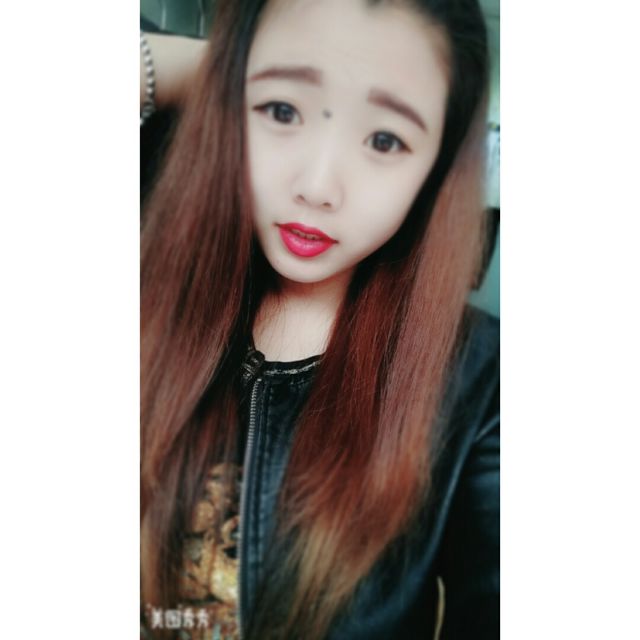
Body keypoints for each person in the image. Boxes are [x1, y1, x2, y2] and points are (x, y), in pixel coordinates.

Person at [140, 1, 499, 639]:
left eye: (384, 140)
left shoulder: (483, 380)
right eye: (282, 111)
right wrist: (222, 71)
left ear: (439, 166)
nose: (317, 186)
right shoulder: (143, 285)